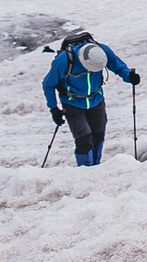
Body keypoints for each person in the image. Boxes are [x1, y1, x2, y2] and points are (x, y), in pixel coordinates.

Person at [43, 30, 140, 166]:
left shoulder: (102, 51)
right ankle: (85, 171)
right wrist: (54, 109)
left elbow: (118, 66)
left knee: (98, 134)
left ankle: (95, 166)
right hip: (72, 102)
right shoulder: (64, 60)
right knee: (84, 139)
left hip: (96, 99)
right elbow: (48, 84)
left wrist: (129, 76)